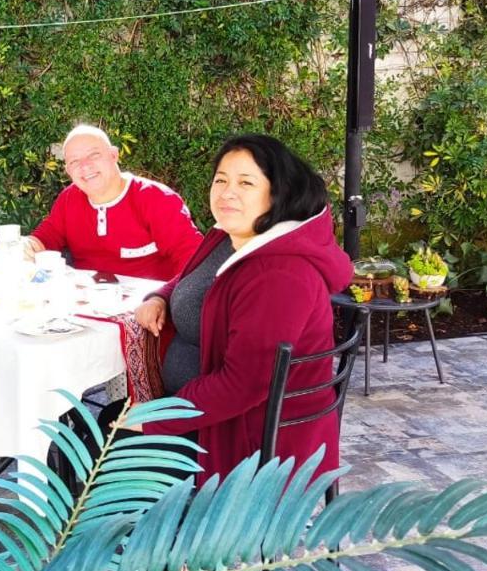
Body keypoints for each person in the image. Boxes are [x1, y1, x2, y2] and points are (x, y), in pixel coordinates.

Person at [133, 133, 353, 485]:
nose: (227, 192)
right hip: (210, 416)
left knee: (102, 455)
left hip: (248, 440)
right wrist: (159, 296)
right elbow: (192, 278)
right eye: (221, 179)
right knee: (98, 428)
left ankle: (163, 538)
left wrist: (155, 417)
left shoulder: (279, 274)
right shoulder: (231, 236)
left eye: (245, 182)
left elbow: (242, 386)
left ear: (278, 193)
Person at [27, 124, 203, 281]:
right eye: (74, 161)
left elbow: (193, 258)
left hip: (153, 308)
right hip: (87, 307)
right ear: (68, 170)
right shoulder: (69, 199)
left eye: (93, 155)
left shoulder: (156, 198)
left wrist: (164, 299)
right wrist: (26, 247)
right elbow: (46, 237)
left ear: (113, 155)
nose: (85, 166)